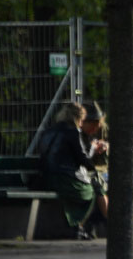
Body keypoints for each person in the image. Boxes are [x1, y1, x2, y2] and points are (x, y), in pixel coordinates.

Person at [37, 102, 103, 239]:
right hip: (65, 179)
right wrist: (93, 148)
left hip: (46, 178)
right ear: (79, 118)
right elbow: (83, 160)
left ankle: (75, 226)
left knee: (79, 191)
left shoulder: (49, 131)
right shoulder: (72, 132)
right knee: (91, 191)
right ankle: (76, 225)